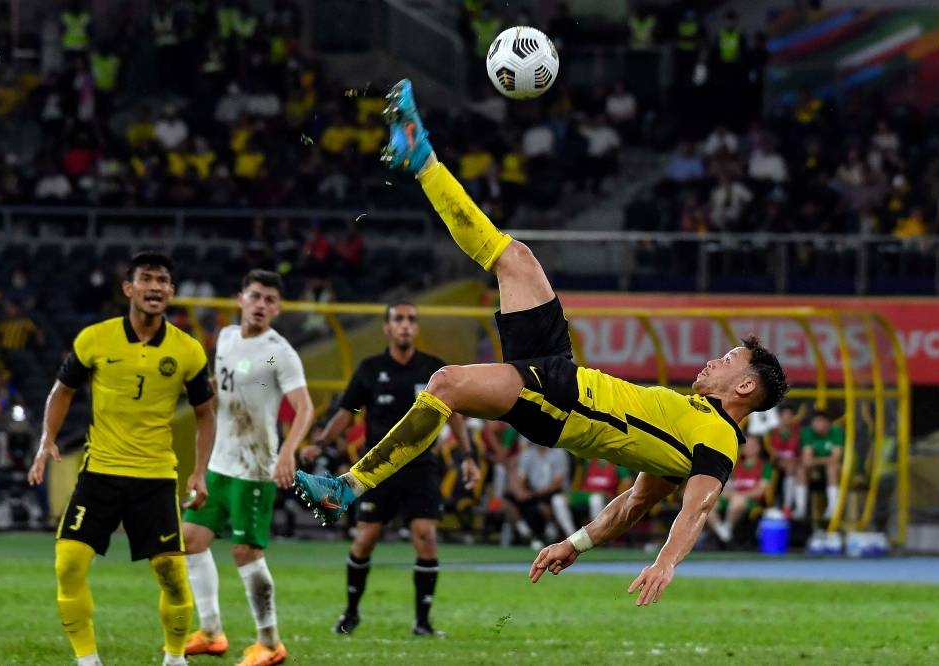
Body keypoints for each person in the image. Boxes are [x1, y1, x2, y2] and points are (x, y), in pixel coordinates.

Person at [293, 79, 788, 607]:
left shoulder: (718, 440)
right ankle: (423, 159)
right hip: (562, 371)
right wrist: (574, 544)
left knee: (446, 383)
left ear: (744, 384)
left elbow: (700, 507)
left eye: (729, 359)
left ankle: (348, 486)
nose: (716, 359)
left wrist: (665, 562)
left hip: (562, 402)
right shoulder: (687, 425)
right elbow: (633, 504)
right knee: (516, 258)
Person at [27, 251, 216, 666]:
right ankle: (87, 660)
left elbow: (205, 412)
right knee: (68, 564)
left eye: (162, 280)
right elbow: (62, 391)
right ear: (128, 288)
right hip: (101, 472)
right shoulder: (95, 339)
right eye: (146, 279)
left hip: (155, 477)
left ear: (171, 291)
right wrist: (47, 441)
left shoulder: (188, 350)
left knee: (171, 575)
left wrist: (199, 471)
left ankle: (174, 658)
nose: (155, 287)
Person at [301, 300, 479, 637]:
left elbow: (454, 414)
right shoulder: (369, 369)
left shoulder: (434, 371)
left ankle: (423, 623)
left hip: (421, 468)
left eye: (411, 319)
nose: (405, 325)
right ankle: (351, 613)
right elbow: (346, 411)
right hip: (377, 470)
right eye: (398, 319)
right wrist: (321, 443)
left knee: (426, 538)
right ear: (387, 327)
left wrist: (466, 456)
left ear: (417, 327)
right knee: (365, 539)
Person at [182, 269, 314, 666]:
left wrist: (289, 452)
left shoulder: (278, 352)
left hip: (255, 468)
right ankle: (210, 632)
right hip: (219, 464)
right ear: (240, 298)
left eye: (269, 300)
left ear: (278, 308)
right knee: (190, 539)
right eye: (255, 296)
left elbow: (305, 407)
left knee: (246, 552)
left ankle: (270, 643)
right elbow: (221, 391)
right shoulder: (224, 338)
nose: (261, 305)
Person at [706, 434, 773, 544]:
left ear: (759, 447)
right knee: (708, 504)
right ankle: (724, 534)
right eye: (746, 445)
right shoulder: (735, 466)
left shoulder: (765, 466)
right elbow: (726, 485)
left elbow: (760, 491)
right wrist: (727, 493)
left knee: (738, 500)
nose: (749, 447)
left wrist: (739, 495)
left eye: (753, 445)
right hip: (731, 498)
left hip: (752, 501)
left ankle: (727, 529)